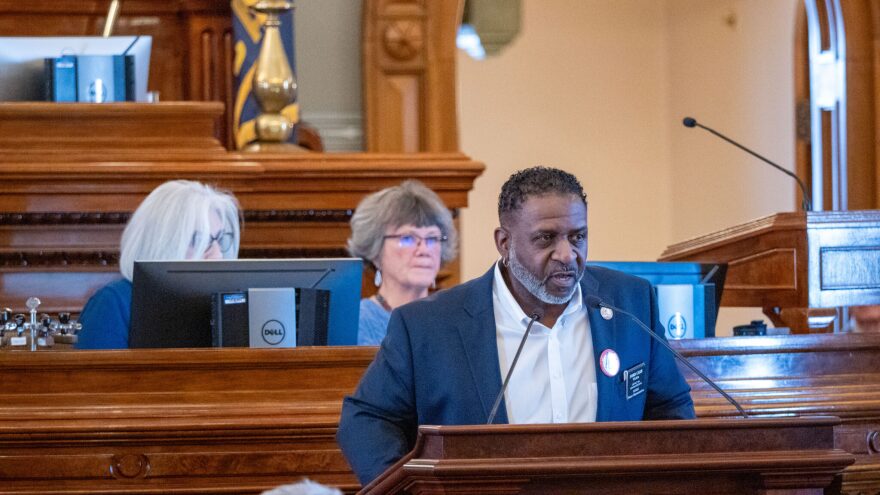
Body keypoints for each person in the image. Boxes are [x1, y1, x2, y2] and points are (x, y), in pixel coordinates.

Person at [337, 166, 695, 485]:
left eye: (577, 236)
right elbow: (366, 419)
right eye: (545, 238)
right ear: (504, 243)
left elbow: (670, 406)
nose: (567, 254)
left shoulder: (630, 302)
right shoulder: (428, 325)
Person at [76, 180, 241, 349]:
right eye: (198, 240)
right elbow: (94, 375)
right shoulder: (114, 302)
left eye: (219, 239)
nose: (216, 254)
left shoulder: (226, 303)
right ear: (162, 241)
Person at [347, 180, 458, 345]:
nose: (423, 250)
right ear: (376, 251)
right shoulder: (354, 324)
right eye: (407, 238)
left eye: (432, 238)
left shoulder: (458, 323)